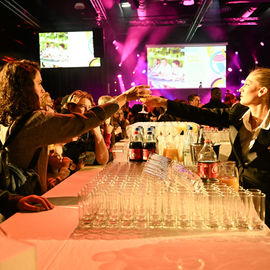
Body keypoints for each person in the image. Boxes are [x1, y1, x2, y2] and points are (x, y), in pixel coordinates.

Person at [143, 67, 270, 227]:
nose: (241, 89)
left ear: (262, 91)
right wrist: (164, 103)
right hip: (234, 193)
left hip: (264, 198)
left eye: (248, 84)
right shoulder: (238, 112)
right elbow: (202, 114)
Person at [0, 60, 150, 195]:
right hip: (26, 202)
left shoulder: (7, 118)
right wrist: (124, 97)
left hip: (11, 199)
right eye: (38, 83)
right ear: (25, 88)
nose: (42, 89)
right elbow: (83, 121)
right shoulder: (34, 121)